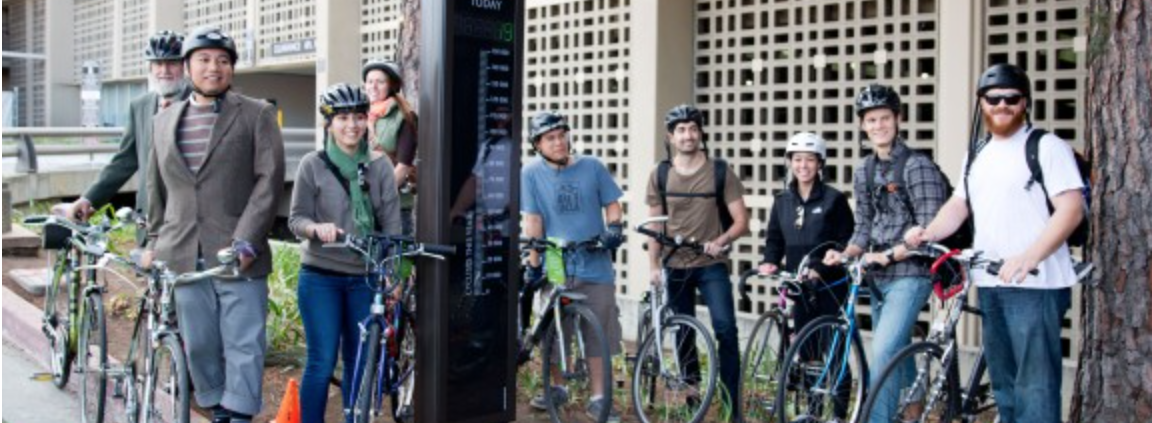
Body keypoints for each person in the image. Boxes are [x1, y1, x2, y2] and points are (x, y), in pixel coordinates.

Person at [904, 63, 1082, 423]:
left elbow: (1072, 209)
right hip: (990, 283)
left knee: (1036, 386)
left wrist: (1030, 257)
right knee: (1004, 384)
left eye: (1011, 98)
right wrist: (929, 232)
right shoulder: (978, 153)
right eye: (993, 98)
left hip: (1036, 285)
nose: (1002, 105)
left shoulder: (1046, 146)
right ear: (981, 103)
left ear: (1025, 102)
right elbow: (960, 204)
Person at [143, 26, 285, 423]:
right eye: (204, 59)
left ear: (232, 70)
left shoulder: (256, 113)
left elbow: (268, 180)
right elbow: (155, 187)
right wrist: (153, 240)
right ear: (187, 66)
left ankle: (238, 415)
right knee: (200, 342)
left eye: (223, 61)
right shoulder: (162, 121)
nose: (214, 68)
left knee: (244, 342)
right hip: (182, 251)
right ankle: (216, 405)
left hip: (238, 253)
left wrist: (247, 240)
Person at [822, 83, 949, 423]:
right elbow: (863, 226)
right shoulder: (863, 169)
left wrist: (890, 254)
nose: (878, 125)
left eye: (884, 118)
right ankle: (913, 413)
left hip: (912, 274)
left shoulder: (917, 166)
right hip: (878, 275)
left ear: (898, 119)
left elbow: (930, 228)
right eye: (871, 120)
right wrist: (846, 252)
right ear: (863, 125)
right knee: (897, 351)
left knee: (884, 353)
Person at [288, 83, 402, 423]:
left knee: (359, 360)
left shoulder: (380, 166)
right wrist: (314, 229)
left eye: (357, 117)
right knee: (322, 362)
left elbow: (392, 228)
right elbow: (296, 219)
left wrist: (392, 276)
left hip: (363, 277)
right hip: (320, 276)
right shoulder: (313, 164)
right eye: (342, 118)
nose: (351, 125)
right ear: (329, 123)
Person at [645, 104, 750, 422]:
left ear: (700, 133)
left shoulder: (720, 171)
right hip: (674, 264)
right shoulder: (660, 174)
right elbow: (654, 225)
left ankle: (731, 405)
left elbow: (742, 221)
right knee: (683, 332)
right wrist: (653, 266)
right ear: (671, 136)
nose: (687, 135)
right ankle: (693, 397)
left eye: (693, 129)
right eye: (681, 130)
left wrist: (721, 242)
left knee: (726, 329)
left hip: (710, 264)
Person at [520, 111, 625, 421]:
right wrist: (534, 264)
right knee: (555, 329)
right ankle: (556, 388)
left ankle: (599, 397)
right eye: (551, 138)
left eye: (562, 135)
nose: (559, 141)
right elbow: (534, 220)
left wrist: (614, 229)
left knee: (599, 332)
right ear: (537, 144)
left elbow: (612, 204)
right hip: (556, 260)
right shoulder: (530, 174)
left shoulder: (592, 167)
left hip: (595, 261)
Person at [757, 132, 856, 419]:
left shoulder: (834, 199)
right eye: (797, 159)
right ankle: (812, 413)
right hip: (800, 285)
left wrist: (821, 266)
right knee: (808, 351)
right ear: (789, 162)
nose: (803, 166)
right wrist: (770, 262)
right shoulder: (782, 200)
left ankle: (838, 413)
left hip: (830, 284)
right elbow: (774, 238)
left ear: (820, 164)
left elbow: (844, 240)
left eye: (810, 160)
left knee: (833, 350)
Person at [67, 30, 190, 238]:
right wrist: (89, 198)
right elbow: (124, 160)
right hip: (149, 219)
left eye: (172, 63)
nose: (164, 70)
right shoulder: (140, 106)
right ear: (150, 67)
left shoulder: (199, 103)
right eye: (158, 64)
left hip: (188, 220)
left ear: (184, 66)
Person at [363, 60, 418, 235]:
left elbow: (403, 167)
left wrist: (376, 199)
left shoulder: (405, 117)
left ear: (392, 85)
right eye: (370, 81)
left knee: (394, 260)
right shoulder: (359, 115)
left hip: (394, 205)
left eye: (380, 82)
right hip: (361, 206)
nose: (374, 86)